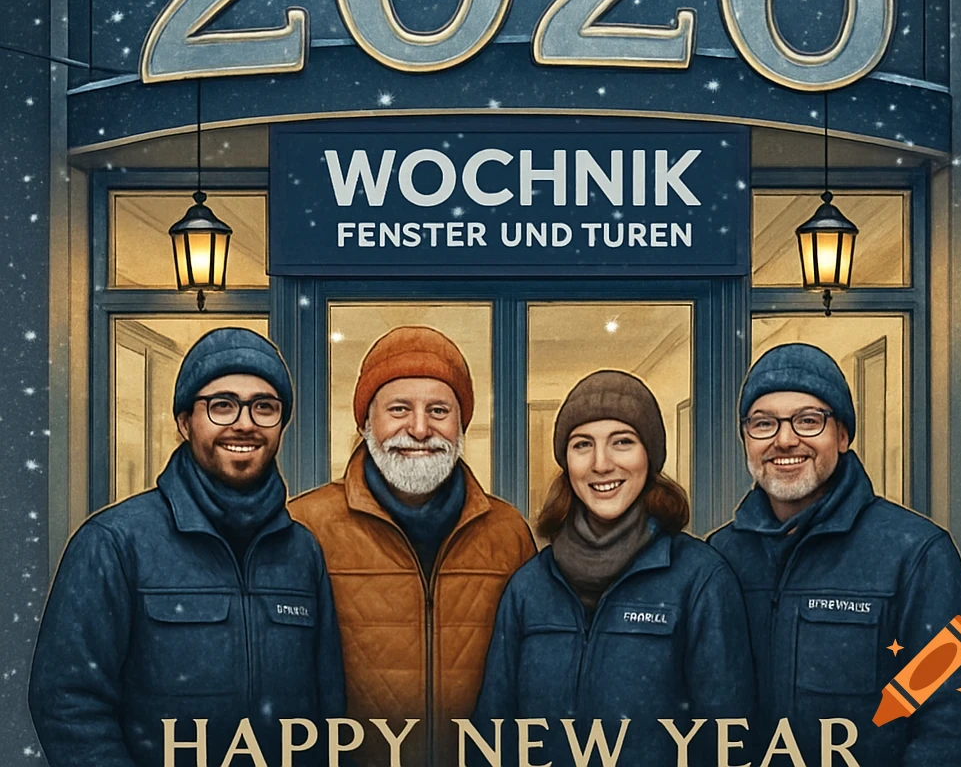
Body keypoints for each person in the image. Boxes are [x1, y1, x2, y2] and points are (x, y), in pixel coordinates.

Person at [29, 328, 345, 767]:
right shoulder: (114, 543)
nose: (244, 422)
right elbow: (67, 703)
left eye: (265, 407)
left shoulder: (302, 551)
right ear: (184, 422)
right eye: (221, 405)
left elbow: (329, 705)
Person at [709, 342, 961, 767]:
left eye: (808, 421)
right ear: (746, 439)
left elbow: (952, 717)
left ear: (842, 435)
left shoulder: (915, 554)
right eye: (763, 423)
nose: (785, 440)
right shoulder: (718, 556)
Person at [472, 369, 756, 767]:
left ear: (649, 457)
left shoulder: (700, 580)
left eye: (622, 442)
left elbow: (728, 740)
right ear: (566, 462)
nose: (601, 464)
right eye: (582, 445)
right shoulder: (529, 587)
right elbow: (493, 736)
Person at [289, 325, 536, 767]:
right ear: (366, 422)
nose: (420, 429)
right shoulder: (306, 526)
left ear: (462, 424)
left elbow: (529, 678)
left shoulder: (507, 533)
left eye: (439, 410)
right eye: (399, 408)